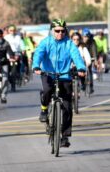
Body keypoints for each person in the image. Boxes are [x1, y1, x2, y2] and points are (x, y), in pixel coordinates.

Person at [32, 19, 86, 147]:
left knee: (67, 106)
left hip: (65, 75)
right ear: (52, 31)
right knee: (47, 90)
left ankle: (65, 136)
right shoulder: (46, 42)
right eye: (57, 31)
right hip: (47, 74)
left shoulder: (69, 43)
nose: (60, 33)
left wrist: (81, 68)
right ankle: (44, 110)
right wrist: (36, 66)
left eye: (62, 31)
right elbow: (38, 54)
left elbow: (76, 56)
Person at [4, 25, 25, 91]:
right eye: (11, 30)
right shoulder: (6, 38)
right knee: (6, 72)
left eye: (13, 30)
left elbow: (22, 45)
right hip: (8, 56)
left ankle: (15, 82)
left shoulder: (18, 37)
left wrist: (23, 50)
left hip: (16, 55)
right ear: (8, 31)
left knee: (14, 72)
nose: (12, 32)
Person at [82, 28, 97, 93]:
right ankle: (83, 85)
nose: (85, 38)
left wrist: (95, 59)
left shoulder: (92, 41)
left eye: (87, 37)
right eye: (84, 37)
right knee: (81, 71)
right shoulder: (80, 41)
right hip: (82, 57)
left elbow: (94, 51)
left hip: (90, 57)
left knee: (90, 71)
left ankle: (91, 87)